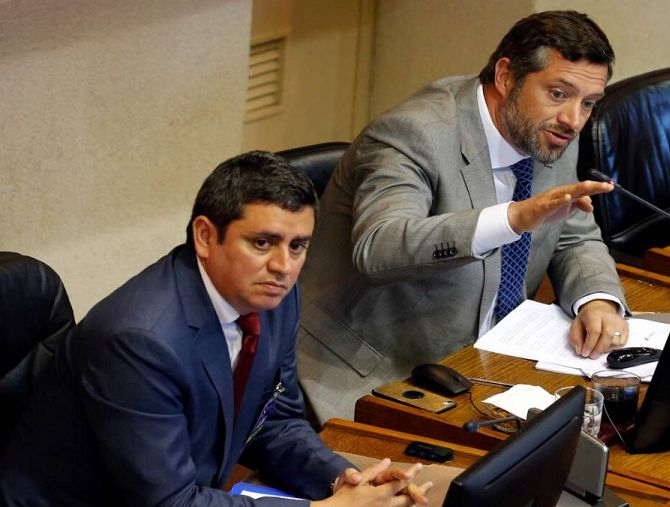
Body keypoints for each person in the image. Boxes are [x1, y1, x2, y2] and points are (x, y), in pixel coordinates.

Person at [0, 152, 431, 506]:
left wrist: (343, 480)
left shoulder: (273, 298)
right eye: (262, 243)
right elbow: (169, 503)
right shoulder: (136, 340)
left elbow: (275, 422)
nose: (283, 266)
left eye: (297, 246)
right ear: (205, 236)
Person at [298, 10, 630, 422]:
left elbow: (572, 231)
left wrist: (596, 299)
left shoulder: (550, 131)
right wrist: (511, 220)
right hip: (376, 373)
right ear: (506, 76)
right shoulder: (413, 134)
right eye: (558, 94)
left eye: (589, 103)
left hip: (488, 363)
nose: (574, 120)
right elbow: (378, 246)